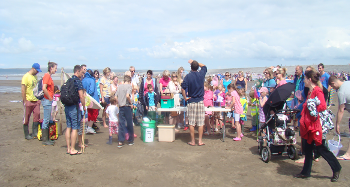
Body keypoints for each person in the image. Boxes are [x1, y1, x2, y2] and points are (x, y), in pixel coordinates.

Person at [294, 71, 341, 182]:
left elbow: (323, 106)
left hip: (316, 125)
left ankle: (337, 167)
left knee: (321, 148)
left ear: (310, 79)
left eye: (305, 79)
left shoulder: (317, 90)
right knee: (308, 148)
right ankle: (305, 172)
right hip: (310, 125)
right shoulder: (310, 91)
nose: (304, 81)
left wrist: (312, 105)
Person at [181, 59, 207, 146]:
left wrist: (185, 98)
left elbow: (183, 88)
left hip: (191, 101)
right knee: (200, 122)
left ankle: (193, 141)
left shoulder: (188, 76)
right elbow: (204, 66)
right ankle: (199, 141)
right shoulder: (201, 74)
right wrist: (194, 61)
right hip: (200, 101)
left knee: (191, 123)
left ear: (191, 67)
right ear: (197, 67)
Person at [65, 65, 85, 155]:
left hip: (67, 105)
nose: (82, 74)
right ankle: (73, 149)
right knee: (75, 128)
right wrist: (84, 106)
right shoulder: (78, 81)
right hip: (74, 106)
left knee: (68, 127)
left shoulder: (69, 80)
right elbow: (81, 96)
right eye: (81, 72)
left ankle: (68, 148)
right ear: (77, 71)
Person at [329, 76, 350, 160]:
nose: (334, 88)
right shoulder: (348, 82)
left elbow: (341, 110)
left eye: (333, 87)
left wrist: (337, 125)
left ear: (333, 83)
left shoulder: (341, 92)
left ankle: (348, 154)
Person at [21, 63, 42, 140]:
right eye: (37, 70)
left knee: (37, 116)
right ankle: (27, 134)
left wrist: (39, 98)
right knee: (26, 117)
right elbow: (23, 90)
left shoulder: (35, 77)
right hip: (28, 100)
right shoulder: (26, 77)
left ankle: (34, 132)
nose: (38, 72)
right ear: (33, 69)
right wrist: (25, 101)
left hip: (36, 100)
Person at [41, 61, 58, 145]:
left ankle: (47, 138)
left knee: (47, 119)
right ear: (51, 68)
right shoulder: (47, 76)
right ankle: (45, 140)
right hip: (47, 100)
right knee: (46, 120)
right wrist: (50, 97)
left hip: (48, 100)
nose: (56, 70)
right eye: (55, 68)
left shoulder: (48, 76)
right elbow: (44, 88)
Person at [116, 75, 134, 148]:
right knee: (129, 123)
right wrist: (131, 103)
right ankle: (130, 140)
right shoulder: (129, 86)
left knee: (121, 124)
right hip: (127, 106)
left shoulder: (119, 86)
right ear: (129, 81)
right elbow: (127, 96)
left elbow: (115, 97)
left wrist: (119, 103)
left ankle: (121, 141)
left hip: (121, 107)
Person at [82, 69, 99, 134]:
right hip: (93, 99)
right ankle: (89, 127)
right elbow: (91, 90)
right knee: (94, 113)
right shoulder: (92, 80)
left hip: (86, 99)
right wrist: (88, 95)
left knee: (88, 113)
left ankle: (88, 126)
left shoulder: (83, 80)